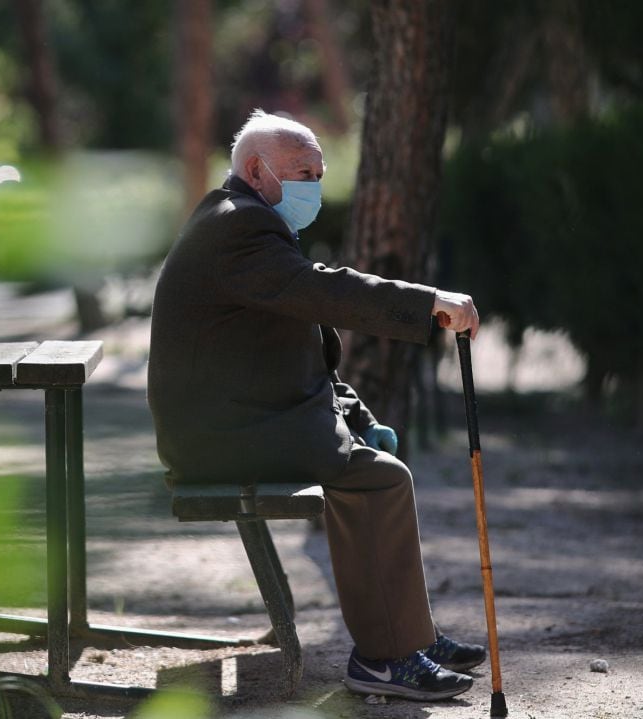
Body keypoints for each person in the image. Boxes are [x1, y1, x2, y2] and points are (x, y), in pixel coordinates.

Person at [147, 109, 484, 701]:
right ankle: (386, 657)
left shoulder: (238, 218)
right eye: (303, 172)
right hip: (220, 437)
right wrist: (428, 300)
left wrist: (358, 416)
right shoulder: (239, 229)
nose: (315, 187)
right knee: (380, 480)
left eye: (319, 173)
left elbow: (296, 352)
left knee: (373, 471)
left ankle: (408, 638)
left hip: (236, 421)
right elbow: (324, 291)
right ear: (257, 170)